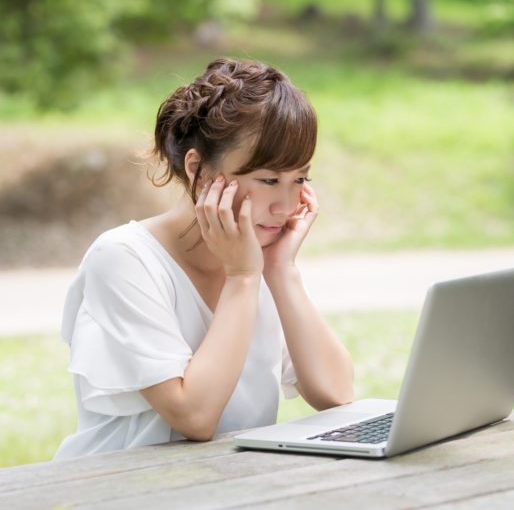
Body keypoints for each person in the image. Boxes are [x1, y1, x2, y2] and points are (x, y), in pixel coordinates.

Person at [53, 57, 354, 459]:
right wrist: (243, 277)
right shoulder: (123, 258)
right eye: (268, 180)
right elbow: (195, 417)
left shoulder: (259, 255)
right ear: (198, 170)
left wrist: (281, 271)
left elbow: (336, 395)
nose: (286, 206)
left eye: (299, 179)